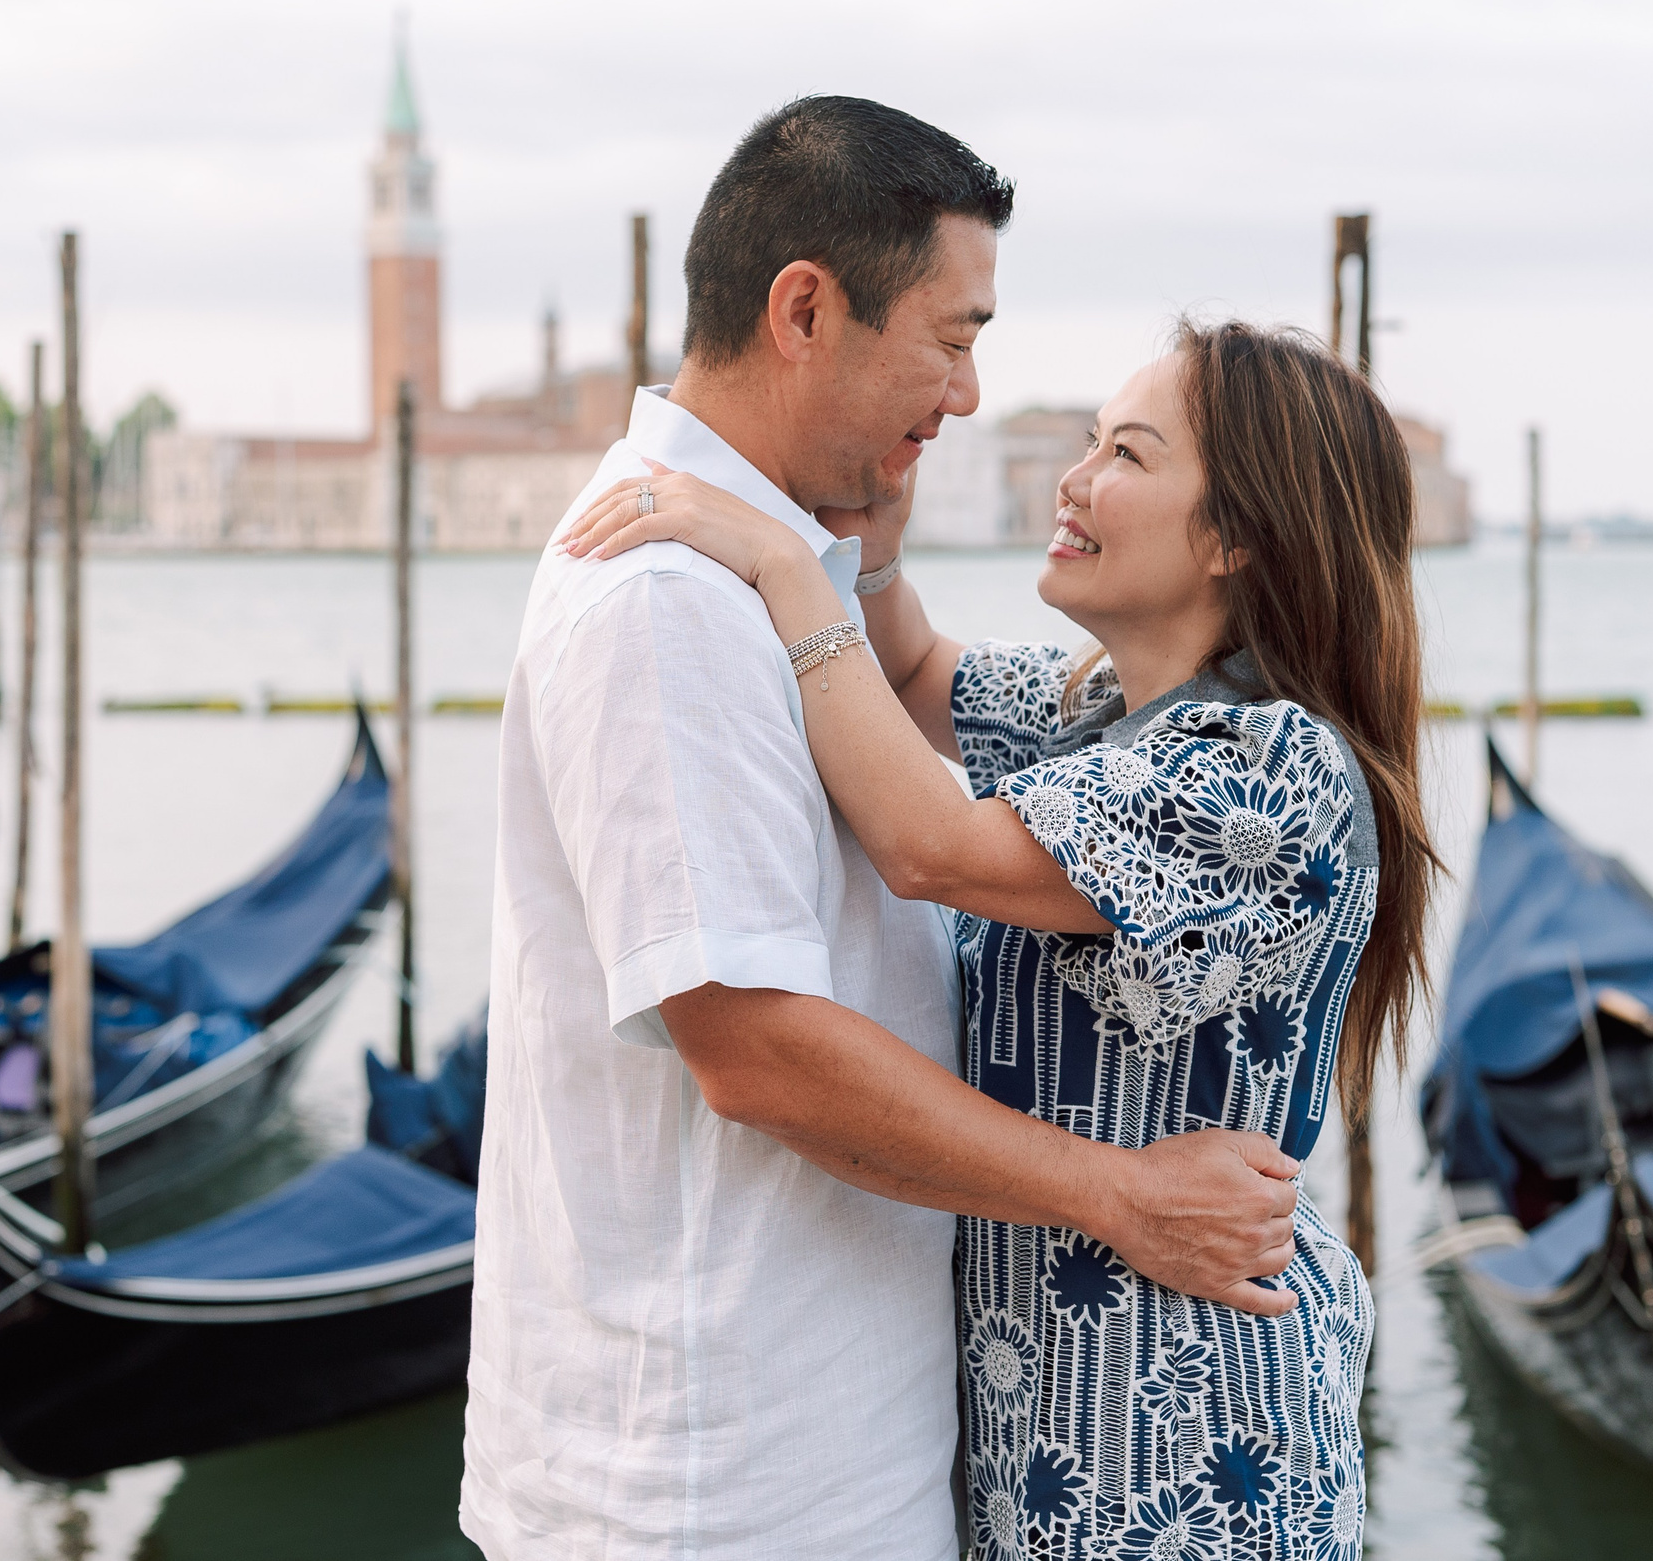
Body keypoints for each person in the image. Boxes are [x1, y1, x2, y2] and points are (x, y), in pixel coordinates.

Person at [462, 98, 1309, 1561]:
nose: (973, 396)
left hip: (848, 1450)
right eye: (953, 334)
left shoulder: (782, 583)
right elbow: (755, 1045)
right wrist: (1123, 1196)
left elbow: (914, 730)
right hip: (717, 1483)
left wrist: (835, 568)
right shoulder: (670, 594)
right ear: (807, 310)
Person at [564, 316, 1436, 1558]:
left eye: (1128, 455)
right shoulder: (1101, 710)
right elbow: (908, 667)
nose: (1074, 480)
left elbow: (932, 844)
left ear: (1238, 534)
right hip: (1048, 1429)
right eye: (1089, 441)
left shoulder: (1266, 771)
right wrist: (864, 535)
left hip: (1189, 1445)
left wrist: (777, 562)